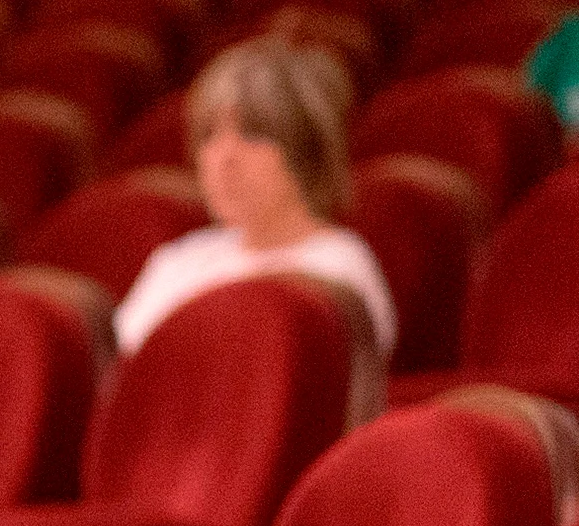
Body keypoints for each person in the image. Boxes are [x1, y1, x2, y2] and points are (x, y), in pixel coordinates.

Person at [114, 38, 397, 359]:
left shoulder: (338, 269)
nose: (225, 157)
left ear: (304, 149)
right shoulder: (178, 262)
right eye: (209, 135)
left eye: (251, 134)